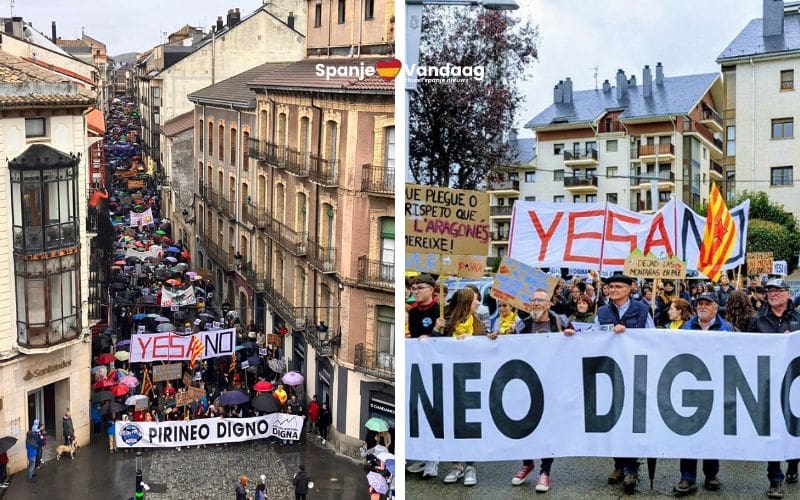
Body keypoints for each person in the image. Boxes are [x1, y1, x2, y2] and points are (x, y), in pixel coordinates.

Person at [594, 274, 654, 495]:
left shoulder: (643, 310)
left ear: (630, 289)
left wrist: (628, 335)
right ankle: (619, 464)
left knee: (630, 420)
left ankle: (631, 469)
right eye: (610, 287)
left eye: (618, 286)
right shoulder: (601, 313)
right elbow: (593, 339)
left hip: (634, 372)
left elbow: (652, 339)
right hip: (611, 374)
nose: (613, 290)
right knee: (614, 420)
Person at [510, 289, 574, 492]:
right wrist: (498, 338)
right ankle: (527, 463)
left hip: (553, 384)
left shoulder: (560, 323)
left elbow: (580, 345)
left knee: (548, 427)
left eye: (540, 300)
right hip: (526, 383)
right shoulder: (522, 325)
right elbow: (508, 347)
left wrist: (571, 336)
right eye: (533, 300)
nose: (536, 303)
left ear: (549, 304)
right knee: (523, 425)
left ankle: (545, 471)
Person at [672, 293, 733, 495]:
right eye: (700, 304)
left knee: (711, 433)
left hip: (716, 386)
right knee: (688, 432)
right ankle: (687, 477)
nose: (703, 307)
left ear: (716, 307)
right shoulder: (686, 328)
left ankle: (711, 475)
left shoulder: (728, 329)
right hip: (690, 384)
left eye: (707, 303)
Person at [747, 278, 800, 499]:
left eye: (778, 290)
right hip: (768, 384)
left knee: (794, 427)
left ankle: (793, 464)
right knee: (774, 430)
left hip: (794, 382)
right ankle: (774, 479)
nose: (773, 294)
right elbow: (746, 350)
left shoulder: (798, 318)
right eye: (769, 291)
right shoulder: (757, 320)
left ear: (788, 293)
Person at [406, 274, 440, 338]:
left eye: (420, 288)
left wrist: (432, 335)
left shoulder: (440, 311)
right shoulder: (412, 312)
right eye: (413, 289)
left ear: (431, 290)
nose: (416, 292)